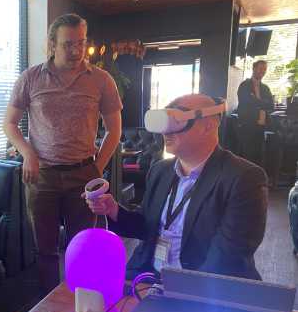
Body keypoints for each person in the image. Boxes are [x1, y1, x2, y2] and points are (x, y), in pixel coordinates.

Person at [86, 94, 267, 280]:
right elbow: (147, 226)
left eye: (176, 122)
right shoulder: (160, 171)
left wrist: (180, 291)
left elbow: (228, 255)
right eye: (164, 124)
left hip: (203, 288)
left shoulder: (243, 177)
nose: (166, 132)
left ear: (209, 125)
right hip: (148, 276)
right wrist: (114, 210)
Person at [3, 13, 122, 294]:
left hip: (83, 174)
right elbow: (9, 123)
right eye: (68, 44)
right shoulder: (31, 78)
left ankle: (79, 302)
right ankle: (49, 308)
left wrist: (97, 168)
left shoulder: (101, 80)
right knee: (45, 250)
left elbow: (114, 130)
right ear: (52, 44)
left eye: (81, 43)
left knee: (82, 245)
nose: (76, 50)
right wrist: (28, 154)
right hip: (42, 176)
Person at [237, 60, 274, 167]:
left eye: (265, 69)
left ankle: (257, 180)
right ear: (254, 68)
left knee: (259, 156)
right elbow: (245, 101)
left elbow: (271, 106)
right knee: (248, 156)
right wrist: (263, 103)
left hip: (262, 125)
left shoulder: (265, 88)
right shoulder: (244, 85)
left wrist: (255, 101)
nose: (263, 71)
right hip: (247, 125)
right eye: (260, 68)